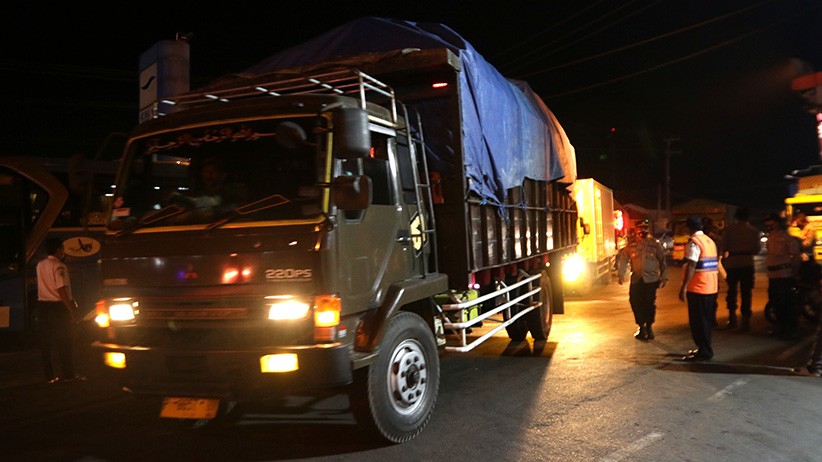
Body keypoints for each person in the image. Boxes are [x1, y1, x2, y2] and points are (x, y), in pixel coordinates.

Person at [35, 237, 85, 383]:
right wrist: (71, 308)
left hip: (43, 305)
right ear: (58, 249)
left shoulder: (40, 264)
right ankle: (68, 374)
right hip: (58, 307)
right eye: (62, 248)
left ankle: (49, 375)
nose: (63, 251)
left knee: (46, 342)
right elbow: (61, 289)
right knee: (65, 341)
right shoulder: (59, 266)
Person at [617, 219, 668, 340]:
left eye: (645, 228)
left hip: (651, 280)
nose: (642, 230)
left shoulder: (655, 244)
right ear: (637, 230)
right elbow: (624, 259)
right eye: (640, 228)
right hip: (637, 279)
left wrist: (664, 276)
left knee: (649, 304)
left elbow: (662, 261)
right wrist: (621, 274)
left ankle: (649, 327)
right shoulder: (632, 245)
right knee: (635, 302)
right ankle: (641, 326)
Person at [678, 215, 719, 361]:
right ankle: (704, 348)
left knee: (698, 321)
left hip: (698, 287)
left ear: (689, 227)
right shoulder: (710, 241)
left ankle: (704, 351)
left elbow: (692, 264)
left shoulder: (694, 242)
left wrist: (684, 286)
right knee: (706, 320)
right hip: (711, 287)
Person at [720, 207, 761, 330]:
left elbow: (724, 246)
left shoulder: (729, 230)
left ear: (736, 216)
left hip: (733, 263)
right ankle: (745, 320)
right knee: (746, 292)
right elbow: (757, 249)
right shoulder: (753, 230)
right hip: (747, 263)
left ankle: (732, 318)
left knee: (732, 291)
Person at [763, 212, 802, 341]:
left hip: (784, 274)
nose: (768, 225)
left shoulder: (786, 237)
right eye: (767, 223)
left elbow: (795, 255)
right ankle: (781, 328)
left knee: (786, 303)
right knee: (776, 303)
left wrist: (794, 272)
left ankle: (791, 330)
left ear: (777, 223)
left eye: (771, 222)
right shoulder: (770, 237)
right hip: (772, 275)